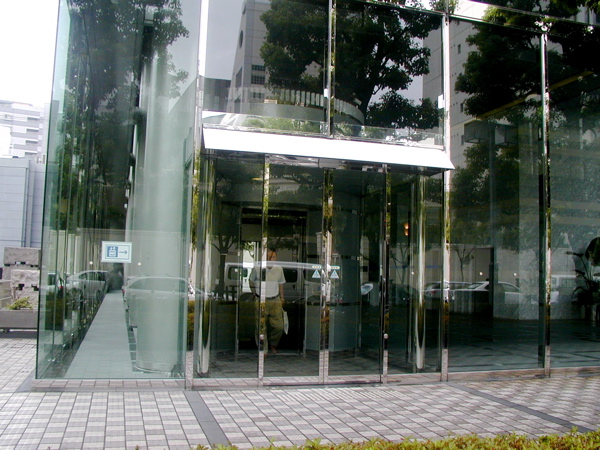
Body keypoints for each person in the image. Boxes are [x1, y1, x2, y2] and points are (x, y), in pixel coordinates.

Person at [249, 249, 286, 354]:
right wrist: (254, 293)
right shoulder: (257, 268)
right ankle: (263, 349)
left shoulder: (279, 269)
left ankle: (273, 343)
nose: (271, 259)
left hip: (275, 300)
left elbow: (281, 284)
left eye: (273, 257)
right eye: (268, 257)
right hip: (261, 299)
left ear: (276, 258)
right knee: (261, 326)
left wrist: (282, 298)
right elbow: (251, 281)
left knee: (279, 326)